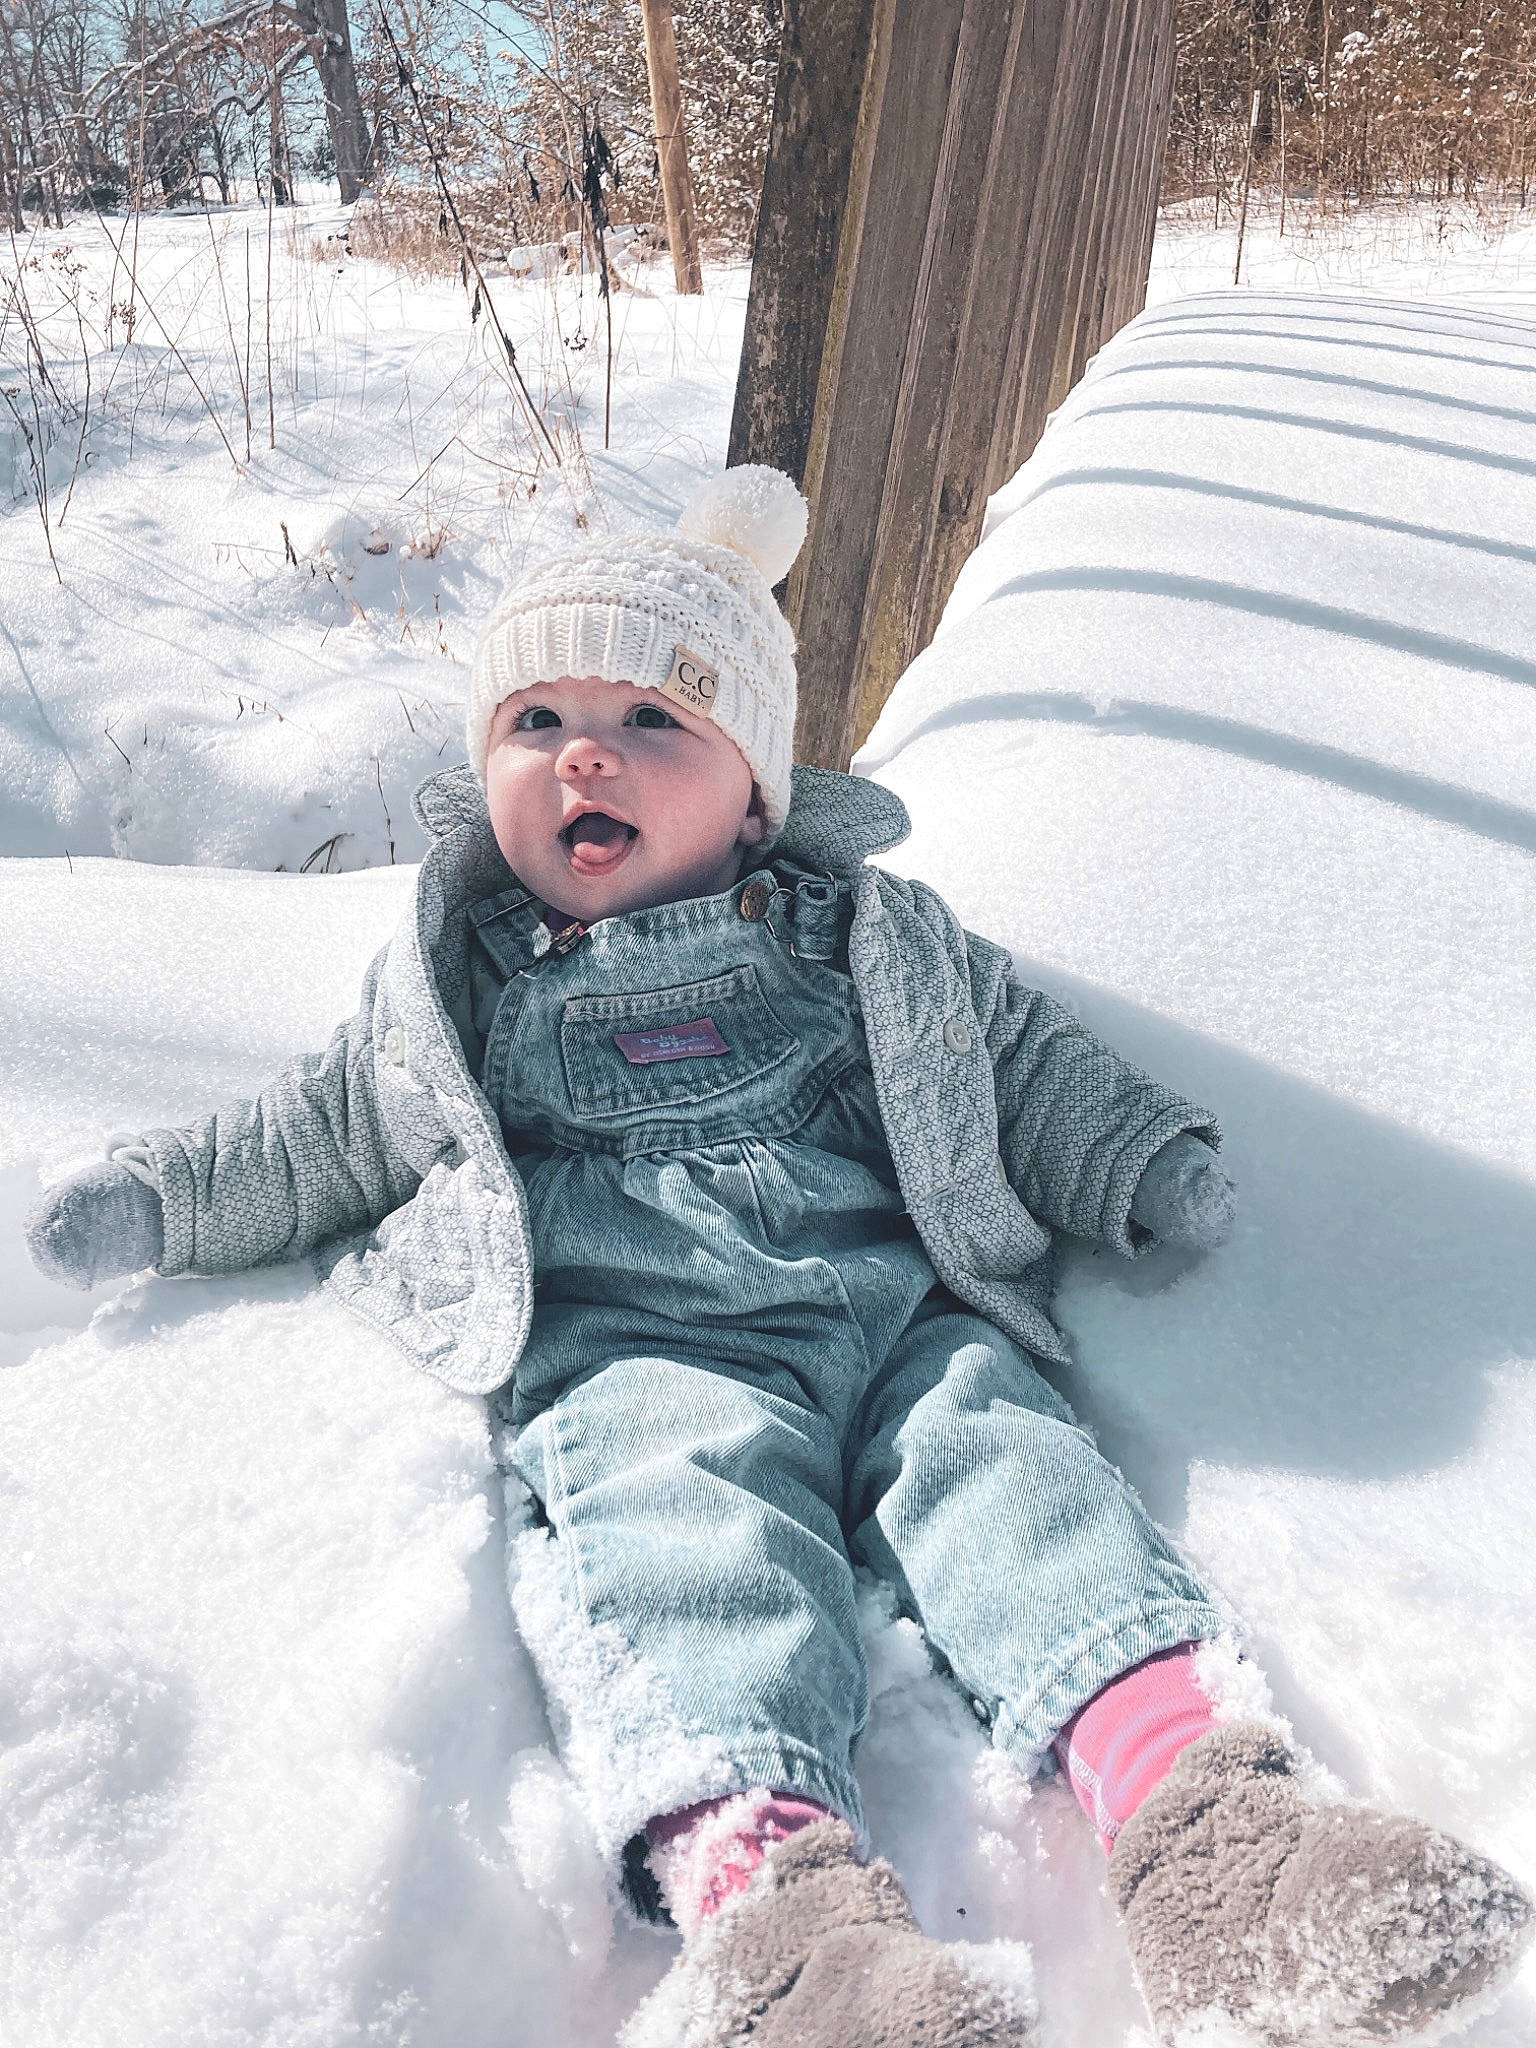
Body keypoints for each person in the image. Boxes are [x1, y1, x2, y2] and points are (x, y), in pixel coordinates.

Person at [28, 467, 1530, 2048]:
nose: (583, 752)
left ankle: (1223, 1839)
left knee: (1015, 1475)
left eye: (650, 721)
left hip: (901, 1320)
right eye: (535, 722)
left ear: (755, 789)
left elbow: (1018, 1057)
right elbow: (318, 1136)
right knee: (683, 1541)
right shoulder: (457, 987)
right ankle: (791, 1937)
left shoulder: (864, 934)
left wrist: (1135, 1157)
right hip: (640, 1355)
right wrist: (158, 1197)